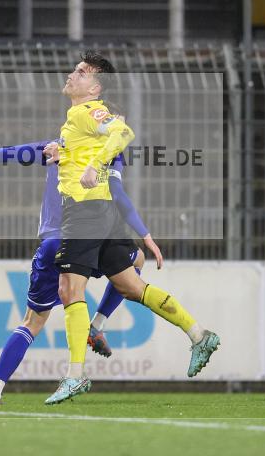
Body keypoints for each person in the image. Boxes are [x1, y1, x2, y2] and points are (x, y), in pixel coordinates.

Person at [45, 52, 219, 405]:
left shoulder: (86, 111)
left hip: (85, 214)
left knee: (69, 288)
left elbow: (123, 131)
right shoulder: (79, 117)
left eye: (80, 73)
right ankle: (199, 334)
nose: (71, 74)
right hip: (100, 211)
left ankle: (75, 375)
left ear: (95, 87)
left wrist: (93, 164)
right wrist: (65, 152)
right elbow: (101, 138)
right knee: (130, 285)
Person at [0, 138, 154, 405]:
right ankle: (96, 325)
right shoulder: (106, 151)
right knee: (137, 259)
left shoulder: (58, 144)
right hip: (88, 241)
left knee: (32, 322)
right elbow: (117, 195)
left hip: (54, 243)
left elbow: (10, 153)